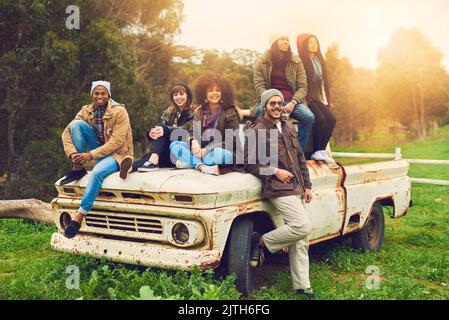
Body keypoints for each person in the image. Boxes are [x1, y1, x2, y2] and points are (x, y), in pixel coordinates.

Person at [245, 89, 315, 299]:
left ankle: (301, 285)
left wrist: (307, 185)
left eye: (279, 103)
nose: (276, 107)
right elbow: (249, 165)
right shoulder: (256, 130)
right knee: (302, 226)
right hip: (276, 188)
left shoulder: (287, 126)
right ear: (264, 106)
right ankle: (261, 243)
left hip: (296, 187)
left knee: (301, 239)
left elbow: (300, 157)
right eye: (272, 103)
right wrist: (275, 171)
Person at [60, 81, 134, 238]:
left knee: (96, 173)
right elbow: (66, 132)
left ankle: (79, 217)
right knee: (76, 125)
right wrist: (74, 154)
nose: (100, 96)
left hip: (118, 153)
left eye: (103, 93)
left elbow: (116, 142)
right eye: (97, 93)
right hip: (99, 147)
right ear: (92, 94)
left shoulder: (119, 111)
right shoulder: (86, 110)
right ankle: (77, 168)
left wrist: (91, 155)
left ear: (109, 95)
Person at [251, 33, 315, 151]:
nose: (286, 42)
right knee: (260, 112)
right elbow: (259, 86)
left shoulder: (296, 61)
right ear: (274, 43)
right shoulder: (262, 61)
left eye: (287, 40)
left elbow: (302, 87)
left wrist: (293, 102)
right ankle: (269, 151)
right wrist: (271, 102)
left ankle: (296, 153)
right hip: (269, 101)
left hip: (291, 101)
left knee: (309, 117)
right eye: (282, 39)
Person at [169, 73, 242, 176]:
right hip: (200, 152)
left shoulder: (229, 112)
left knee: (217, 155)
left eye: (217, 90)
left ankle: (191, 162)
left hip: (223, 152)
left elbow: (231, 141)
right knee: (175, 145)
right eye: (210, 90)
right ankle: (201, 166)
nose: (214, 93)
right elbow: (191, 132)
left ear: (223, 93)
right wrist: (193, 141)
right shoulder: (199, 111)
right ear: (204, 93)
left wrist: (207, 150)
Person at [133, 84, 195, 172]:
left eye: (181, 94)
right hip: (168, 152)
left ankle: (153, 160)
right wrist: (151, 134)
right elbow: (161, 130)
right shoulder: (169, 112)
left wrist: (165, 130)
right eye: (175, 95)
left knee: (162, 129)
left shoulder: (194, 112)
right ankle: (130, 167)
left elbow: (186, 131)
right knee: (148, 158)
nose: (178, 97)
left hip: (183, 151)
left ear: (188, 95)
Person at [297, 34, 337, 165]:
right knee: (319, 118)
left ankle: (320, 150)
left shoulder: (319, 59)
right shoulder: (300, 61)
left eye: (315, 42)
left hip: (316, 97)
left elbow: (323, 82)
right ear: (304, 45)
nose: (314, 45)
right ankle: (315, 151)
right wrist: (305, 99)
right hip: (305, 98)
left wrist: (327, 100)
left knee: (331, 119)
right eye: (310, 43)